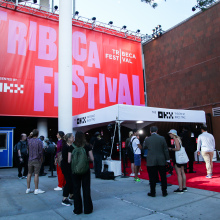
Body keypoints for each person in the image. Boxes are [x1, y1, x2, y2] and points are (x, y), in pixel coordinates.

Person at [144, 126, 170, 197]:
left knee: (152, 177)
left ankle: (153, 192)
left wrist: (145, 140)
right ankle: (164, 192)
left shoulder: (147, 139)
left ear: (150, 131)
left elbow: (144, 147)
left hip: (151, 160)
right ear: (157, 131)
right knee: (163, 177)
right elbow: (165, 149)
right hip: (161, 159)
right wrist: (167, 159)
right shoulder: (162, 138)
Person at [72, 131, 94, 215]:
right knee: (86, 189)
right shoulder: (87, 146)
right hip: (85, 170)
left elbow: (69, 160)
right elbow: (92, 158)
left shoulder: (72, 146)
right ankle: (87, 209)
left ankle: (77, 209)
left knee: (76, 190)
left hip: (75, 170)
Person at [26, 129, 45, 195]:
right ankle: (36, 189)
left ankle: (28, 189)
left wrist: (30, 135)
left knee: (29, 173)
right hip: (37, 159)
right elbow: (41, 152)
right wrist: (41, 159)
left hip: (30, 159)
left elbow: (27, 138)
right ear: (37, 134)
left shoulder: (29, 140)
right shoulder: (39, 141)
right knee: (36, 174)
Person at [168, 129, 187, 194]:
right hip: (182, 157)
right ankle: (184, 187)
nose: (169, 135)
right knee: (182, 172)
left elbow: (178, 148)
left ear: (173, 134)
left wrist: (171, 149)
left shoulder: (175, 139)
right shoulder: (179, 139)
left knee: (179, 173)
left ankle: (180, 188)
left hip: (177, 158)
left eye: (170, 133)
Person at [61, 133, 74, 206]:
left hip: (70, 166)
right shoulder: (65, 146)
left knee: (71, 180)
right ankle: (64, 198)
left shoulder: (71, 146)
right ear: (69, 138)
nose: (73, 138)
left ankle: (71, 195)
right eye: (72, 137)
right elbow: (65, 158)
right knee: (69, 181)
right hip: (66, 166)